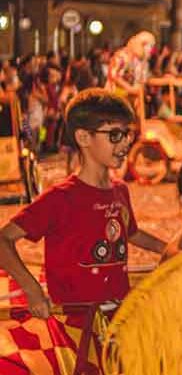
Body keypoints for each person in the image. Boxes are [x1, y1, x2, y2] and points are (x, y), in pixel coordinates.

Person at [0, 88, 166, 318]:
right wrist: (32, 289)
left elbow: (130, 233)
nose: (125, 143)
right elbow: (3, 240)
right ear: (83, 137)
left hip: (115, 321)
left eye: (127, 134)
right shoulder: (60, 198)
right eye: (115, 135)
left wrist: (169, 250)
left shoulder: (120, 190)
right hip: (73, 330)